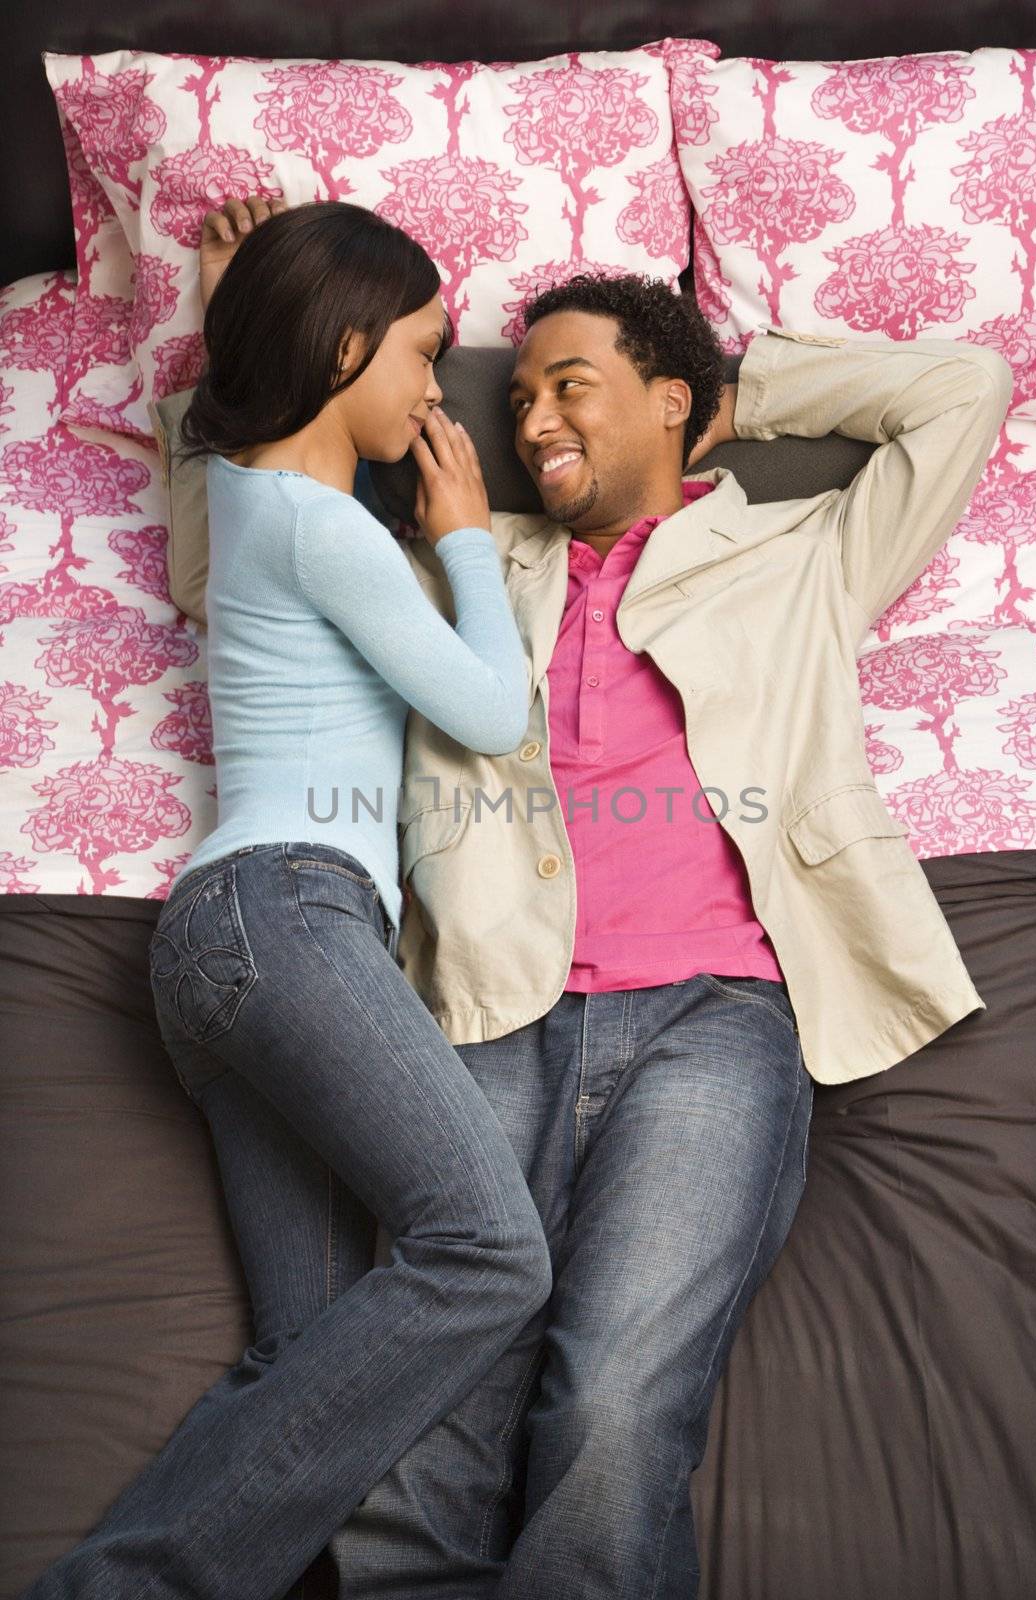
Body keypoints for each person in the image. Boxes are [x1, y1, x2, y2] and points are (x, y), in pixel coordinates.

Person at [169, 201, 1014, 1600]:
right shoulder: (471, 555)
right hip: (486, 1005)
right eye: (518, 389)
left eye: (573, 388)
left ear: (676, 403)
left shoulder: (800, 555)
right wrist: (242, 331)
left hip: (715, 1019)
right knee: (425, 1418)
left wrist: (735, 394)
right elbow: (224, 561)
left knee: (615, 1403)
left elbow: (964, 390)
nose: (531, 415)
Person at [19, 200, 554, 1600]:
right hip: (288, 918)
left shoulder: (250, 495)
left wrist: (227, 305)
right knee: (492, 1253)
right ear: (348, 344)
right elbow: (493, 711)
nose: (444, 391)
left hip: (227, 953)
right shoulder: (325, 529)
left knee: (302, 1356)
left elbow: (222, 444)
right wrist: (465, 536)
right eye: (431, 355)